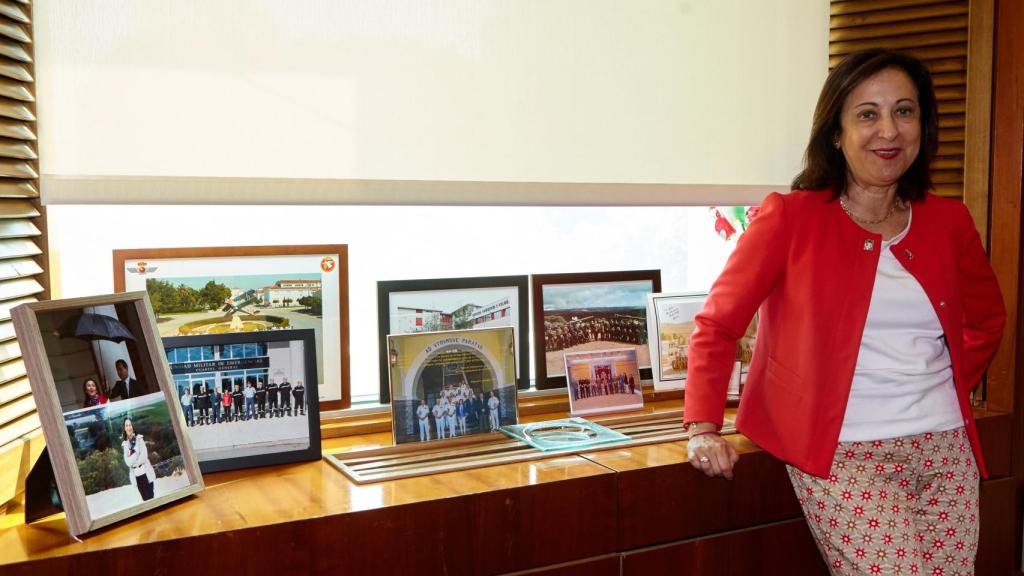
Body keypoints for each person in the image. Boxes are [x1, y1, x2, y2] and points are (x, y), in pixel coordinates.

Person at [682, 48, 1005, 576]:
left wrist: (945, 385)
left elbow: (986, 320)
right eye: (867, 114)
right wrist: (702, 424)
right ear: (836, 132)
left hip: (946, 448)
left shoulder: (949, 222)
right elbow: (717, 324)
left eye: (905, 111)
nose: (889, 131)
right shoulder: (789, 218)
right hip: (843, 453)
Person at [121, 417, 155, 501]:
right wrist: (136, 452)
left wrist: (134, 461)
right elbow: (128, 462)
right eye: (126, 425)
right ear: (124, 428)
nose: (129, 427)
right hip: (136, 476)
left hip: (145, 473)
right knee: (145, 500)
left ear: (133, 426)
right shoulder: (125, 444)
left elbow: (144, 456)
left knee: (151, 499)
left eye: (130, 425)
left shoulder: (139, 439)